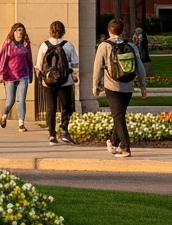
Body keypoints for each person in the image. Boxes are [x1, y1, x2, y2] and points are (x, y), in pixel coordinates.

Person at [92, 18, 148, 157]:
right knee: (119, 116)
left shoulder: (104, 46)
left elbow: (97, 67)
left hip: (112, 85)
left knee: (118, 117)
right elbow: (140, 66)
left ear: (109, 30)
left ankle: (125, 147)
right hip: (128, 85)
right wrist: (143, 85)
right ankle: (112, 141)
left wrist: (95, 86)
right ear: (122, 30)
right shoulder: (131, 45)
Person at [37, 20, 81, 145]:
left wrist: (42, 78)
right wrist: (74, 75)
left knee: (50, 108)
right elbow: (76, 63)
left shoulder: (44, 45)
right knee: (67, 106)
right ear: (63, 31)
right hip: (65, 81)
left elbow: (39, 65)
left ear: (50, 31)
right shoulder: (68, 45)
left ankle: (52, 135)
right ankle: (64, 129)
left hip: (49, 82)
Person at [0, 23, 33, 132]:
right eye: (17, 30)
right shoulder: (8, 44)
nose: (20, 32)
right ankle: (4, 115)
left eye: (21, 30)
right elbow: (1, 59)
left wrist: (30, 74)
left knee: (21, 100)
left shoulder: (26, 44)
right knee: (10, 101)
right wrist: (0, 74)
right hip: (10, 76)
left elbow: (29, 59)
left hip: (23, 75)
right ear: (13, 32)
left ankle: (21, 123)